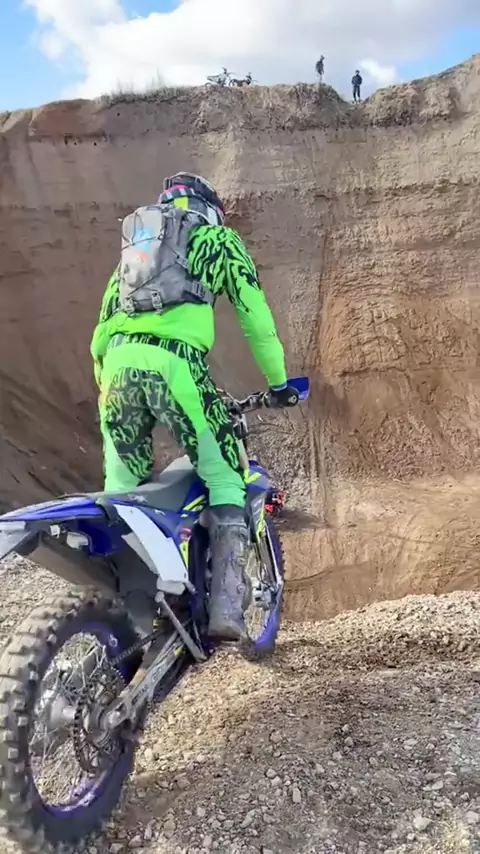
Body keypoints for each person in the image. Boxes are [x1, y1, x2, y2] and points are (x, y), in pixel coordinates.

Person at [90, 173, 299, 641]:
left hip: (117, 370)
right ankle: (226, 608)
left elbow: (100, 336)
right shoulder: (218, 240)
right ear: (210, 211)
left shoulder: (134, 256)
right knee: (224, 477)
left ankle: (128, 617)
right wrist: (279, 383)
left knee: (122, 490)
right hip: (176, 368)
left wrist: (109, 384)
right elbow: (256, 317)